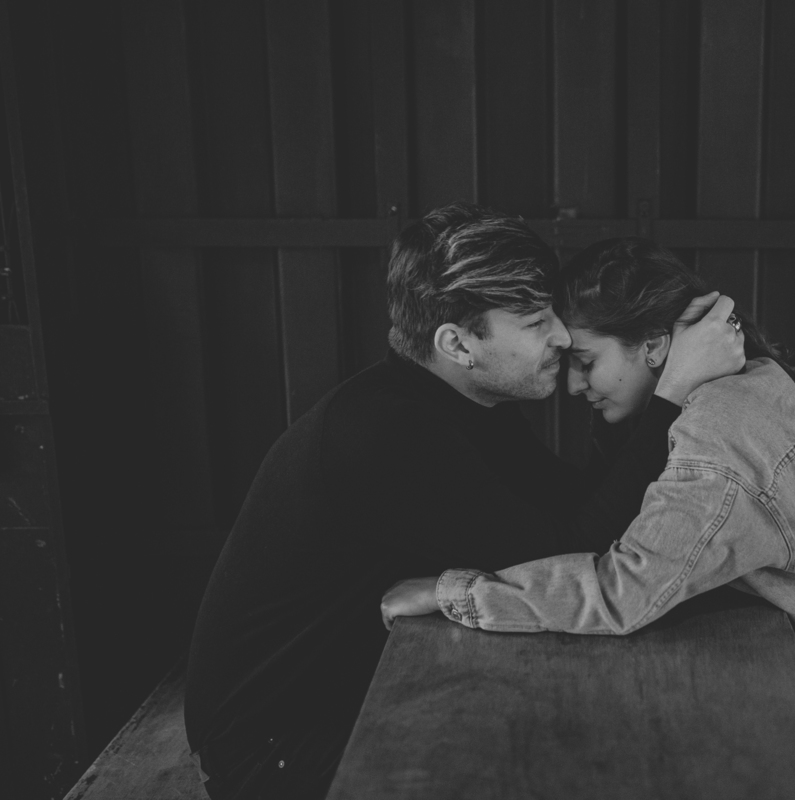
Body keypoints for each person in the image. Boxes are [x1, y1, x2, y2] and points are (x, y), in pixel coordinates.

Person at [381, 237, 795, 781]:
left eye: (585, 360)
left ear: (651, 346)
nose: (573, 382)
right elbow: (610, 522)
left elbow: (625, 590)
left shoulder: (719, 436)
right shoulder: (690, 396)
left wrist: (459, 594)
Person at [185, 209, 745, 800]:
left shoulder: (468, 404)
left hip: (376, 683)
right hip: (282, 747)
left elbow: (578, 510)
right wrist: (671, 392)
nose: (561, 335)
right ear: (457, 343)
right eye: (534, 321)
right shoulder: (388, 437)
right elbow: (566, 556)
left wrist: (634, 395)